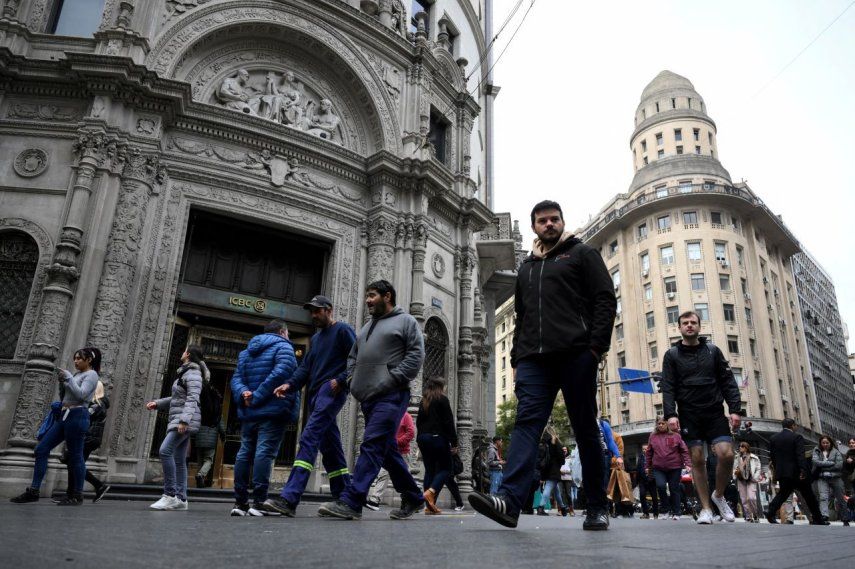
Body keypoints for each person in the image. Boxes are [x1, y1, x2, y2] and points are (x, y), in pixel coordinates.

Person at [468, 200, 617, 531]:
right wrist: (516, 360)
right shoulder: (527, 268)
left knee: (584, 428)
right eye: (542, 220)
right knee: (526, 423)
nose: (549, 224)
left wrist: (596, 348)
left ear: (562, 222)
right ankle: (508, 501)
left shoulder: (581, 254)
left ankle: (596, 506)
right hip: (534, 360)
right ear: (534, 227)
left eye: (554, 219)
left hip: (577, 354)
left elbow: (605, 298)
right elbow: (521, 318)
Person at [317, 280, 425, 520]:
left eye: (372, 295)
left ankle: (352, 501)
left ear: (387, 296)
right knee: (385, 449)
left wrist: (392, 378)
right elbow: (352, 356)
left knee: (372, 444)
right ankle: (414, 497)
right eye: (367, 295)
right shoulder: (366, 327)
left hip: (392, 394)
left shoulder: (406, 321)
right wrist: (353, 378)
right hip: (368, 397)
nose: (367, 300)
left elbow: (416, 355)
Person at [260, 297, 356, 517]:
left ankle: (290, 498)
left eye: (317, 311)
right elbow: (305, 368)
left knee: (309, 437)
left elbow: (357, 358)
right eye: (311, 312)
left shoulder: (342, 330)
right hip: (315, 395)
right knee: (330, 446)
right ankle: (344, 498)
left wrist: (340, 380)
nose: (313, 315)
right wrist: (289, 384)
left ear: (329, 310)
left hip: (330, 391)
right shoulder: (316, 338)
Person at [660, 310, 742, 525]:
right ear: (679, 327)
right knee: (696, 459)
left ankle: (719, 494)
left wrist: (735, 409)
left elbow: (727, 381)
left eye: (693, 322)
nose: (689, 325)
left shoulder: (713, 351)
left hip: (714, 412)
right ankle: (706, 508)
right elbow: (668, 387)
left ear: (699, 326)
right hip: (689, 414)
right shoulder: (672, 355)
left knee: (726, 455)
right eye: (685, 323)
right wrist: (671, 414)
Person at [11, 347, 101, 505]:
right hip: (65, 415)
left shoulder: (91, 375)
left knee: (76, 456)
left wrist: (68, 378)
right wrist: (62, 382)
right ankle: (34, 491)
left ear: (89, 360)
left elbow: (81, 394)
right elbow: (66, 396)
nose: (76, 361)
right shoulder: (77, 374)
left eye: (79, 358)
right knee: (41, 449)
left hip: (78, 416)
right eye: (75, 358)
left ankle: (77, 495)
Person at [228, 320, 299, 516]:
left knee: (245, 453)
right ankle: (258, 503)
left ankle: (240, 503)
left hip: (250, 411)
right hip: (273, 410)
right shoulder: (284, 347)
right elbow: (283, 373)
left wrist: (245, 394)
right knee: (264, 453)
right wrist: (258, 395)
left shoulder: (246, 352)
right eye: (289, 333)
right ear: (283, 332)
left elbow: (236, 379)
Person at [145, 345, 206, 511]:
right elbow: (178, 398)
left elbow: (193, 398)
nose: (182, 352)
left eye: (184, 350)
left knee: (165, 451)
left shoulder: (193, 374)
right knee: (179, 460)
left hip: (184, 421)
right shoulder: (186, 373)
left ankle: (170, 495)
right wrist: (157, 404)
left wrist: (184, 421)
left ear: (188, 354)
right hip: (181, 419)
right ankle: (181, 498)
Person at [56, 379, 111, 503]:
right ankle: (72, 494)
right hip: (89, 438)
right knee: (73, 463)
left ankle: (91, 488)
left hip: (88, 438)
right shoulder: (97, 403)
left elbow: (84, 415)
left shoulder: (97, 404)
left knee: (74, 463)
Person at [765, 418, 826, 525]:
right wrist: (803, 470)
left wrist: (778, 470)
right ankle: (818, 518)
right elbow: (800, 455)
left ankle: (770, 512)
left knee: (783, 494)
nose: (796, 427)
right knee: (809, 496)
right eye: (795, 425)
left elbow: (773, 457)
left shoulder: (773, 438)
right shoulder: (797, 437)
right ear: (792, 426)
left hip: (783, 473)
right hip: (797, 473)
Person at [416, 377, 458, 514]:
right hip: (438, 438)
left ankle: (429, 507)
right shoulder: (442, 399)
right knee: (447, 468)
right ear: (441, 386)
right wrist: (454, 442)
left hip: (423, 438)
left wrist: (421, 439)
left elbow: (418, 422)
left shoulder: (424, 401)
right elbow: (449, 422)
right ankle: (431, 491)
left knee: (429, 470)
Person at [365, 411, 416, 511]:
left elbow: (411, 432)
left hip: (402, 453)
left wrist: (397, 442)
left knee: (405, 478)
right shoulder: (390, 414)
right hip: (389, 451)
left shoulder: (406, 416)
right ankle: (374, 500)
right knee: (383, 474)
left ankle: (411, 499)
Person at [645, 417, 690, 520]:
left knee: (674, 488)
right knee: (660, 486)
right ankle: (665, 511)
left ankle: (677, 512)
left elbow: (684, 450)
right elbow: (649, 453)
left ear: (667, 424)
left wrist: (687, 463)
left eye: (662, 423)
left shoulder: (676, 436)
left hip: (674, 467)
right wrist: (647, 466)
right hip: (658, 467)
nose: (660, 425)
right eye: (658, 423)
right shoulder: (653, 436)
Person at [193, 379, 225, 488]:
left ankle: (199, 480)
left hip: (199, 437)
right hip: (211, 439)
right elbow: (221, 426)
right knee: (208, 460)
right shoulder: (216, 411)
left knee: (199, 460)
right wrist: (223, 436)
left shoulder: (202, 408)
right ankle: (201, 475)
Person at [812, 435, 849, 525]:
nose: (825, 444)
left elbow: (839, 466)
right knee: (823, 497)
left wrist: (823, 466)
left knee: (840, 498)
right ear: (820, 443)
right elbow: (815, 462)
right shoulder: (817, 450)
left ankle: (845, 518)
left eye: (827, 443)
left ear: (831, 443)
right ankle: (824, 517)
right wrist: (830, 463)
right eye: (823, 443)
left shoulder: (836, 452)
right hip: (822, 477)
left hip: (836, 477)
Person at [537, 430, 567, 516]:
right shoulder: (555, 442)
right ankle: (541, 507)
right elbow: (561, 456)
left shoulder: (543, 442)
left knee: (556, 489)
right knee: (549, 486)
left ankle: (563, 507)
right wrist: (562, 462)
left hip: (546, 468)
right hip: (554, 468)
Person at [733, 442, 761, 522]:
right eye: (739, 446)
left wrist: (755, 477)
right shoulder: (737, 458)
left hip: (751, 480)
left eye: (742, 446)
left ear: (746, 448)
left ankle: (755, 514)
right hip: (741, 480)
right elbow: (734, 468)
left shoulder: (754, 457)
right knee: (744, 499)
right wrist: (735, 475)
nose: (740, 448)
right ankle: (748, 516)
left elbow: (758, 468)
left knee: (752, 498)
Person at [635, 444, 658, 519]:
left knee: (654, 497)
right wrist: (636, 482)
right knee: (642, 495)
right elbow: (638, 469)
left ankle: (655, 514)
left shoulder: (654, 457)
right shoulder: (640, 457)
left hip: (652, 480)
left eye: (646, 449)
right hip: (642, 480)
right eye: (643, 449)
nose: (644, 451)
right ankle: (645, 513)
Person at [559, 446, 577, 516]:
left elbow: (573, 468)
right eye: (563, 449)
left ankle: (571, 510)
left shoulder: (571, 458)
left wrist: (566, 471)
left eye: (565, 449)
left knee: (568, 494)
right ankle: (560, 510)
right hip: (560, 477)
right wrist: (560, 471)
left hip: (568, 477)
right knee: (560, 494)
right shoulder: (559, 457)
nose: (564, 450)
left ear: (567, 450)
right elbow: (557, 466)